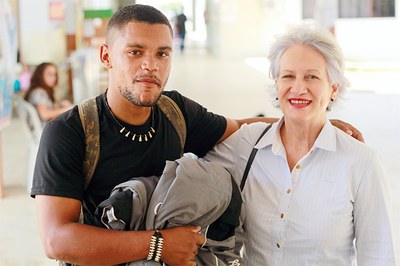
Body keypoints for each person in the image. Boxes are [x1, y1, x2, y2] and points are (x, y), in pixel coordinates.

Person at [31, 5, 363, 266]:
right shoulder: (70, 132)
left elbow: (239, 126)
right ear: (107, 56)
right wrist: (159, 245)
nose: (151, 65)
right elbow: (57, 240)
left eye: (162, 53)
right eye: (135, 52)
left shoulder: (175, 112)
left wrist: (310, 121)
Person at [204, 24, 396, 265]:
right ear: (277, 85)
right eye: (288, 76)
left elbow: (379, 256)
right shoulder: (247, 143)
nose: (298, 88)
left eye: (311, 77)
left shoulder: (362, 162)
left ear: (333, 89)